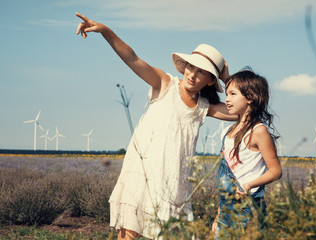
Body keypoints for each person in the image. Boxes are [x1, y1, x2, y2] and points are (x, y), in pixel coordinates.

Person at [75, 12, 237, 240]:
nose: (193, 74)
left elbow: (238, 110)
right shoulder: (165, 84)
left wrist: (227, 80)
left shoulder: (204, 106)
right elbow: (133, 59)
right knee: (128, 234)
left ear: (211, 80)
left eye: (202, 72)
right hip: (144, 174)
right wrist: (105, 31)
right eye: (191, 67)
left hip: (174, 182)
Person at [212, 68, 282, 238]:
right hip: (226, 207)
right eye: (226, 94)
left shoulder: (258, 131)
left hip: (247, 208)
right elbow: (227, 177)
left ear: (250, 97)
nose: (227, 99)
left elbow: (276, 171)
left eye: (232, 94)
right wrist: (218, 215)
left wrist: (249, 185)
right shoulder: (229, 131)